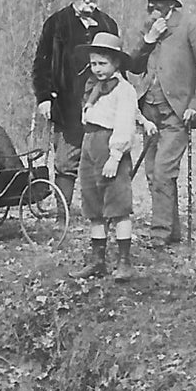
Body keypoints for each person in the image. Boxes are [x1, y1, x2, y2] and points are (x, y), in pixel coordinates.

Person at [124, 0, 196, 248]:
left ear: (172, 4)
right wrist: (148, 39)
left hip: (177, 113)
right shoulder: (147, 28)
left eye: (160, 2)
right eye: (151, 2)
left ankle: (160, 233)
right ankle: (172, 230)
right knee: (153, 173)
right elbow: (133, 66)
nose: (154, 7)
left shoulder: (189, 27)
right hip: (149, 111)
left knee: (164, 172)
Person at [32, 0, 120, 212]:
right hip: (66, 105)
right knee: (65, 163)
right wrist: (44, 98)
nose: (88, 1)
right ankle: (63, 216)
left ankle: (102, 214)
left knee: (102, 160)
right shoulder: (56, 23)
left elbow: (118, 66)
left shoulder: (108, 25)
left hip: (103, 105)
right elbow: (41, 65)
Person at [69, 33, 141, 282]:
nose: (97, 69)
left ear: (116, 63)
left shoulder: (124, 90)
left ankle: (124, 262)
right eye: (94, 63)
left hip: (110, 146)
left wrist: (115, 156)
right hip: (90, 143)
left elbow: (124, 123)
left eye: (103, 64)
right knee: (94, 206)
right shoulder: (94, 87)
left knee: (117, 206)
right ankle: (98, 260)